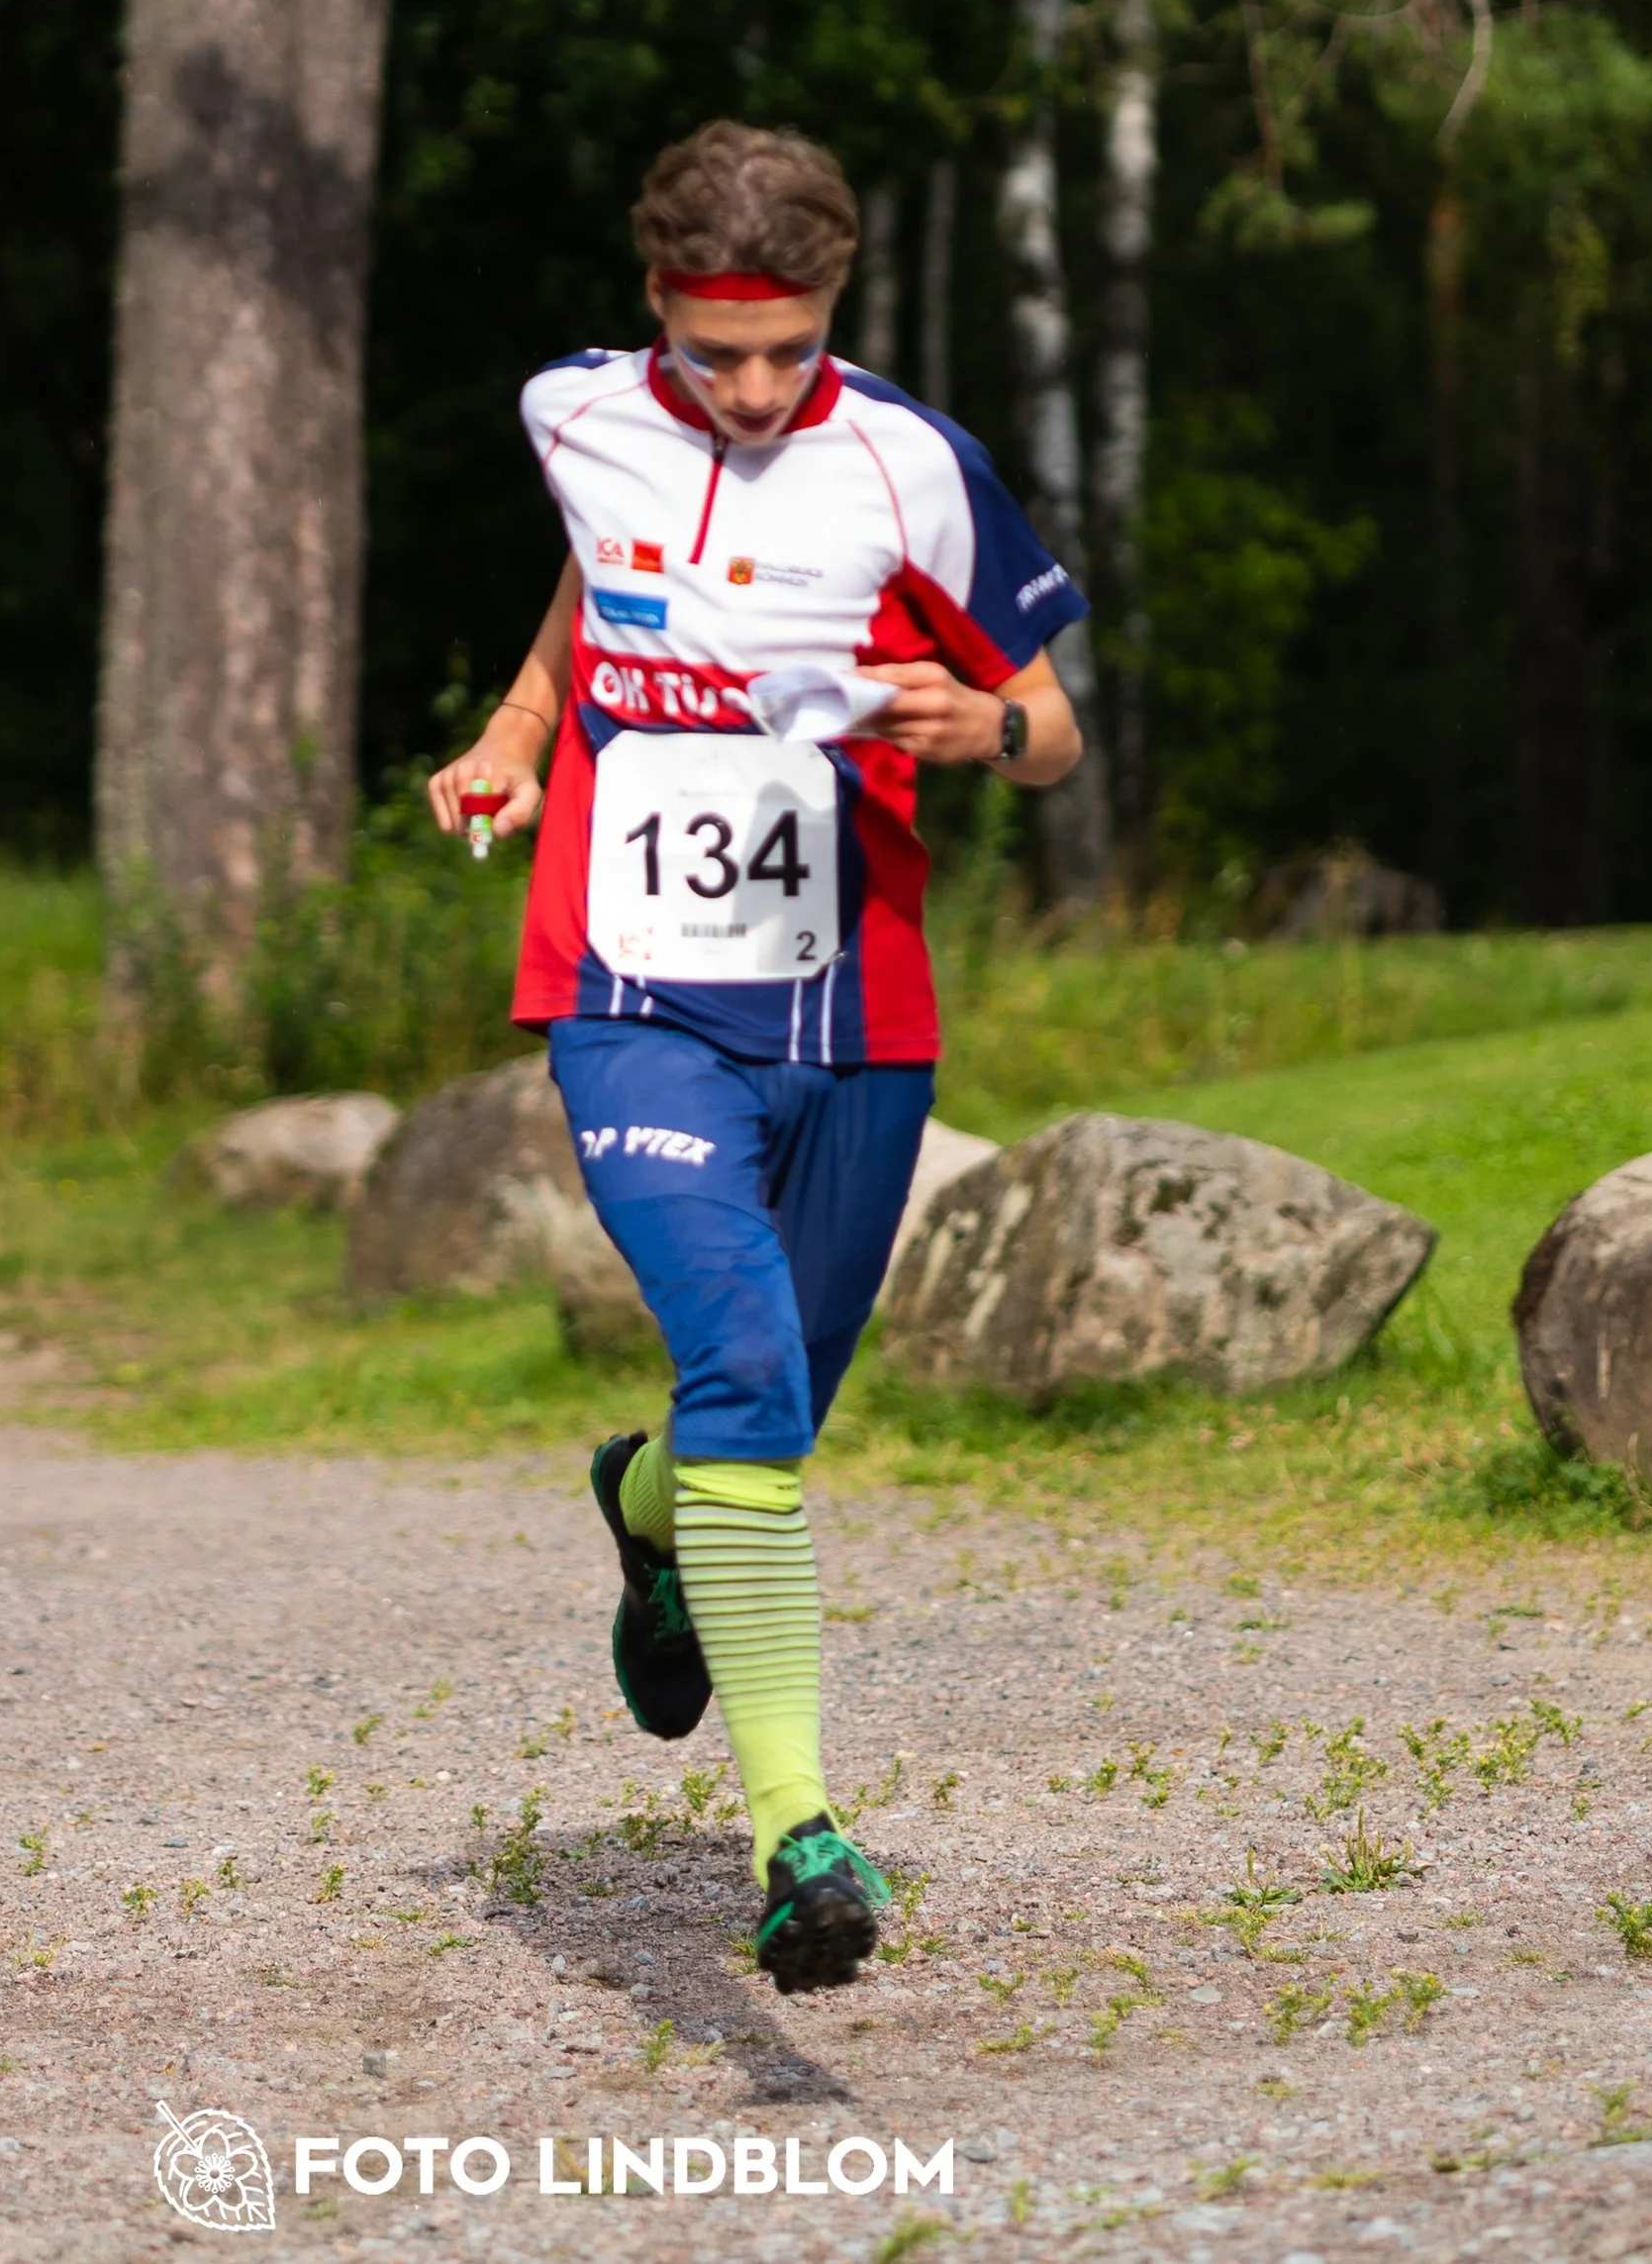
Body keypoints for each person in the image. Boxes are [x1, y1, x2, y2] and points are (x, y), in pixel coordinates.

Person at [428, 120, 1088, 1995]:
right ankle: (801, 1831)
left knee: (766, 1411)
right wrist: (518, 734)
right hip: (629, 990)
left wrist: (984, 728)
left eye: (786, 352)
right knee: (740, 1358)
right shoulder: (575, 413)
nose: (748, 390)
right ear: (656, 303)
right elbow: (594, 575)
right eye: (716, 354)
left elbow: (1050, 726)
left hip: (857, 1012)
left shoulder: (913, 465)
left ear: (834, 310)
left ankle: (646, 1508)